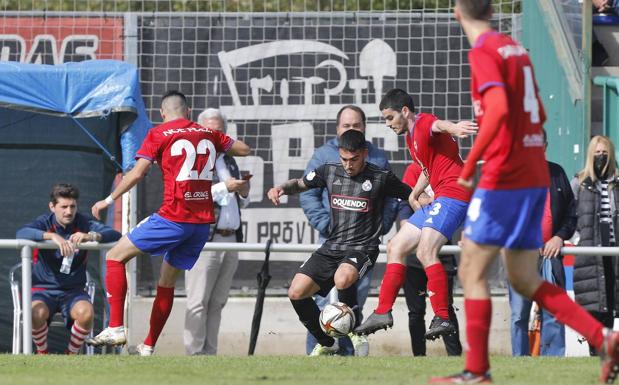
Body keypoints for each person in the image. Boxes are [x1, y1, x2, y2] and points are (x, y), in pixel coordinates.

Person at [431, 2, 619, 383]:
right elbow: (538, 115)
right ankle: (603, 337)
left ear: (456, 12)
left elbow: (498, 110)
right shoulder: (514, 50)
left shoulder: (484, 50)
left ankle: (477, 371)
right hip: (534, 173)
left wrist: (470, 169)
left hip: (507, 174)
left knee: (470, 268)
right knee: (524, 280)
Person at [85, 91, 251, 356]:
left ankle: (115, 326)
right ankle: (148, 345)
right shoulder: (209, 134)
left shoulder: (158, 134)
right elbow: (244, 149)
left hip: (173, 218)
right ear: (189, 110)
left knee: (115, 256)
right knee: (167, 281)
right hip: (200, 226)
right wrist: (219, 140)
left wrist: (108, 199)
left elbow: (138, 173)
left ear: (162, 114)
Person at [267, 129, 414, 356]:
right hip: (333, 245)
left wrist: (436, 206)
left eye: (354, 159)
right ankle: (326, 342)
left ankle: (355, 332)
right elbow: (299, 183)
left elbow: (411, 195)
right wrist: (281, 189)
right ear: (339, 154)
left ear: (364, 154)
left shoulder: (381, 177)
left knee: (342, 278)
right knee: (296, 292)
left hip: (363, 247)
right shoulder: (329, 171)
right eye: (344, 159)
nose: (348, 165)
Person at [354, 88, 476, 341]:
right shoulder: (412, 139)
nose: (388, 124)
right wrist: (414, 193)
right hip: (440, 195)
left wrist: (454, 129)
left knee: (424, 252)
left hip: (454, 194)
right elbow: (428, 169)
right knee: (396, 246)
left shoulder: (421, 124)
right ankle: (382, 311)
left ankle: (442, 315)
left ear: (405, 112)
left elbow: (437, 125)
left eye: (389, 118)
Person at [299, 104, 397, 356]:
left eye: (356, 125)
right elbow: (309, 193)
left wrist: (381, 226)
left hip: (363, 245)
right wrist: (326, 224)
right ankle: (320, 352)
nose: (351, 128)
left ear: (364, 128)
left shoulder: (376, 157)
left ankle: (349, 358)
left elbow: (392, 198)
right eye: (346, 125)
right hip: (332, 242)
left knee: (353, 304)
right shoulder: (323, 156)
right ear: (337, 128)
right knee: (324, 305)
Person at [15, 183, 121, 354]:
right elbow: (22, 233)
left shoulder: (83, 222)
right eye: (63, 207)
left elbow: (115, 235)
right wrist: (51, 236)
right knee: (35, 312)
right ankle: (43, 354)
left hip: (74, 291)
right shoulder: (44, 222)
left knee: (86, 313)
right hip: (42, 289)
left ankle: (71, 356)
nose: (69, 211)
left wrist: (91, 236)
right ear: (52, 207)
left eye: (72, 206)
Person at [184, 108, 250, 355]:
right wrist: (225, 186)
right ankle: (194, 353)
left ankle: (210, 353)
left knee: (217, 301)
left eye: (221, 132)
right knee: (198, 300)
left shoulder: (229, 159)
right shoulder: (195, 160)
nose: (217, 136)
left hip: (230, 239)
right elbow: (191, 196)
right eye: (211, 131)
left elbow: (237, 202)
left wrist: (242, 191)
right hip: (205, 239)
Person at [508, 128, 576, 357]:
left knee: (554, 312)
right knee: (519, 314)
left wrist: (559, 237)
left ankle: (553, 363)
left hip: (550, 254)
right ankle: (519, 363)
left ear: (545, 146)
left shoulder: (557, 173)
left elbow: (571, 214)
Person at [398, 162, 462, 357]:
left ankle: (455, 357)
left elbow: (456, 205)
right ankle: (419, 357)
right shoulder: (413, 170)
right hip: (415, 257)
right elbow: (406, 204)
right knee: (416, 312)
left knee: (445, 307)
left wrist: (431, 201)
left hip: (440, 252)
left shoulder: (450, 170)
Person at [571, 135, 619, 356]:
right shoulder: (580, 183)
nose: (601, 157)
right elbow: (570, 216)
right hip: (590, 256)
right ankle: (595, 353)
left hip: (614, 253)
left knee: (611, 304)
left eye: (605, 152)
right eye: (597, 153)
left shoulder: (617, 183)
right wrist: (569, 237)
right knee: (592, 309)